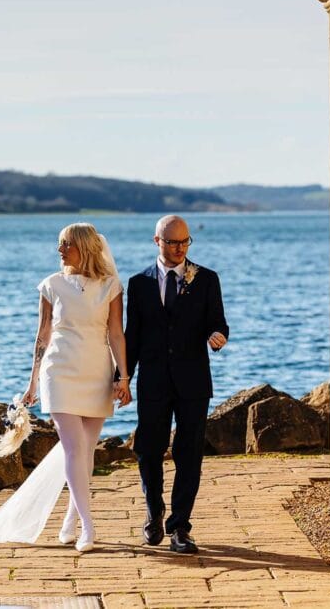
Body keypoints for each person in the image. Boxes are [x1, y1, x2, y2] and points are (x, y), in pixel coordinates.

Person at [22, 222, 131, 551]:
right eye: (59, 243)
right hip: (59, 372)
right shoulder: (51, 285)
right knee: (73, 448)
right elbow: (43, 335)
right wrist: (32, 382)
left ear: (83, 246)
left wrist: (123, 377)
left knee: (86, 449)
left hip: (96, 371)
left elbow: (115, 333)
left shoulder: (110, 285)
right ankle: (87, 525)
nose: (59, 249)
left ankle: (70, 519)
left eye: (66, 243)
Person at [125, 215, 228, 554]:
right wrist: (122, 377)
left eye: (185, 242)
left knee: (189, 454)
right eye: (172, 242)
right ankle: (154, 514)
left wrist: (218, 336)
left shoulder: (207, 279)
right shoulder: (138, 284)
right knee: (148, 450)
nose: (179, 248)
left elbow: (218, 323)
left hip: (193, 382)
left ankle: (180, 527)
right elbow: (133, 337)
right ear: (157, 241)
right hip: (153, 382)